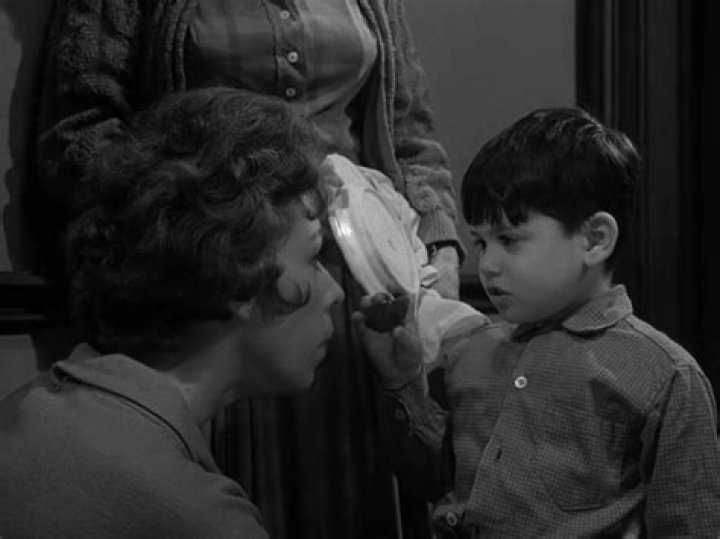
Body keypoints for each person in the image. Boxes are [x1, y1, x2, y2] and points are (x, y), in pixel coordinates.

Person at [36, 3, 462, 536]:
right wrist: (204, 226)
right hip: (219, 279)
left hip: (358, 285)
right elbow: (81, 131)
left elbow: (409, 129)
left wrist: (438, 245)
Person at [358, 107, 720, 537]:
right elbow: (432, 480)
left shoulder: (665, 376)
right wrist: (404, 382)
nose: (487, 265)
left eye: (509, 240)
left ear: (595, 239)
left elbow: (689, 524)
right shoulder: (472, 352)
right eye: (481, 243)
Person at [0, 87, 344, 537]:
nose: (335, 291)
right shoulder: (200, 518)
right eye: (313, 258)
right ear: (234, 272)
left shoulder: (26, 411)